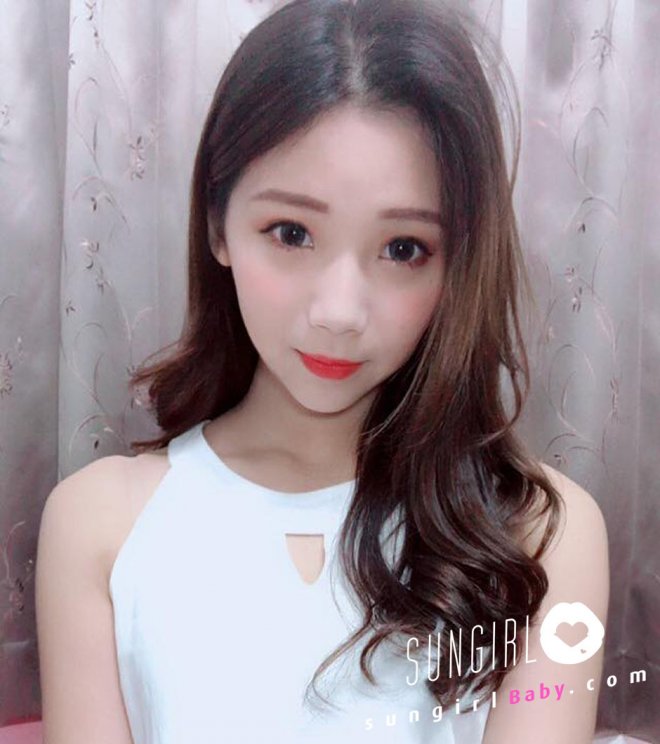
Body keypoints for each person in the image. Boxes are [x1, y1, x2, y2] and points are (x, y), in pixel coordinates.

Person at [35, 0, 610, 742]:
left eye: (403, 249)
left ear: (458, 263)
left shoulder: (541, 534)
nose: (339, 311)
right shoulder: (99, 525)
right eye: (292, 232)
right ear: (217, 225)